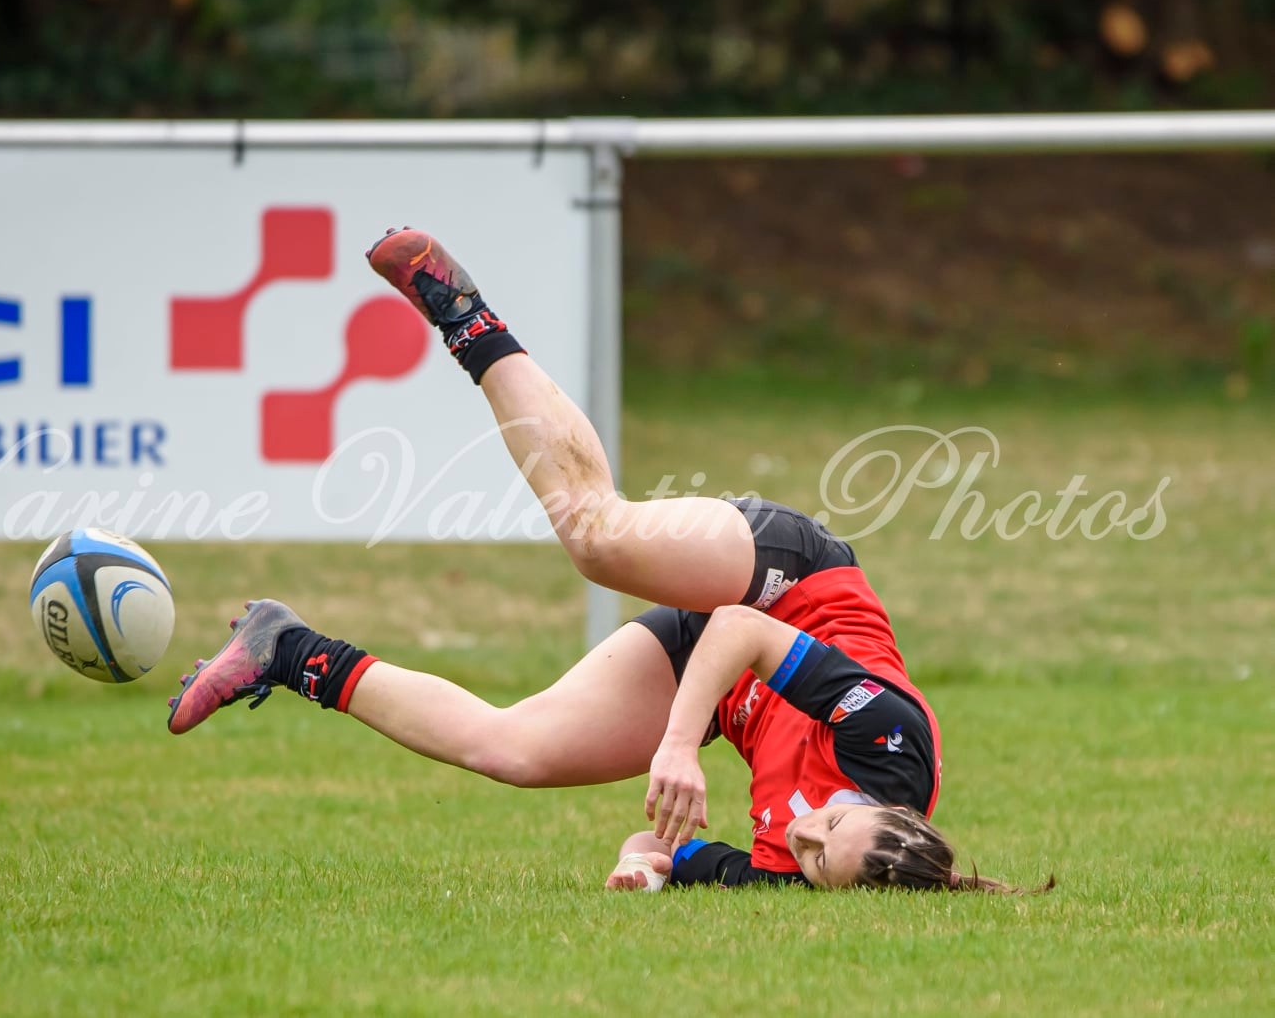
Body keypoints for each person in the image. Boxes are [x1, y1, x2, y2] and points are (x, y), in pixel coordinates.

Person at [168, 227, 1020, 892]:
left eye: (817, 859)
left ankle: (287, 650)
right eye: (831, 824)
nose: (803, 835)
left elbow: (662, 846)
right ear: (888, 812)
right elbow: (740, 629)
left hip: (720, 686)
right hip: (785, 591)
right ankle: (463, 313)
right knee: (597, 537)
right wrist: (679, 743)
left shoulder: (787, 873)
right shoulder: (891, 747)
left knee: (513, 750)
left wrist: (642, 866)